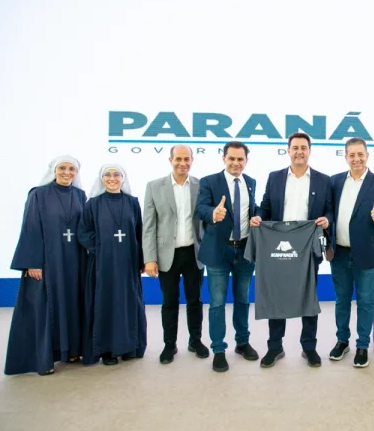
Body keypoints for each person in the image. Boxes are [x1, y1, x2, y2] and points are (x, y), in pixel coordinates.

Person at [250, 132, 334, 368]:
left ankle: (309, 348)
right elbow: (265, 207)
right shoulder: (275, 177)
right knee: (276, 295)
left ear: (309, 151)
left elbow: (330, 210)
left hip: (308, 248)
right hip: (279, 248)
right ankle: (275, 347)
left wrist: (327, 220)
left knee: (309, 296)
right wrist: (258, 217)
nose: (299, 152)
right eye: (295, 147)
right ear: (288, 150)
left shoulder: (323, 180)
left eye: (303, 148)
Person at [5, 156, 87, 376]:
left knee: (72, 304)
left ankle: (71, 351)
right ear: (53, 170)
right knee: (46, 308)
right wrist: (32, 262)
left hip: (74, 261)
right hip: (48, 262)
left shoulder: (80, 195)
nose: (67, 172)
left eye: (72, 169)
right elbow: (30, 227)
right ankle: (44, 358)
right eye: (62, 168)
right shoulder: (38, 194)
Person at [195, 141, 259, 373]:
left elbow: (251, 208)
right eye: (231, 158)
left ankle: (242, 342)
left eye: (240, 159)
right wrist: (213, 213)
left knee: (242, 299)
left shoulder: (250, 182)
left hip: (245, 250)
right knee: (217, 302)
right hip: (219, 251)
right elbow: (200, 208)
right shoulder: (209, 182)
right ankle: (219, 350)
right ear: (224, 159)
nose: (236, 163)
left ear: (246, 161)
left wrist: (257, 216)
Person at [329, 137, 374, 368]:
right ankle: (342, 341)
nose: (356, 159)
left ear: (367, 155)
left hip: (368, 253)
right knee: (342, 300)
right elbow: (329, 210)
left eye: (360, 154)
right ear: (346, 156)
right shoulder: (335, 181)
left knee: (365, 301)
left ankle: (363, 345)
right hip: (339, 253)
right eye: (352, 155)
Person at [142, 145, 209, 365]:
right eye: (178, 159)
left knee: (195, 300)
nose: (183, 163)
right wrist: (149, 258)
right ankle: (169, 345)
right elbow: (149, 226)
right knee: (169, 302)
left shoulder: (201, 186)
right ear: (170, 160)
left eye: (186, 159)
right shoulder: (154, 187)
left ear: (192, 160)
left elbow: (207, 221)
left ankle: (195, 341)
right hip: (166, 255)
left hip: (194, 253)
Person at [79, 164, 147, 365]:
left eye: (117, 174)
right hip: (103, 264)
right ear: (101, 179)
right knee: (106, 303)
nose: (112, 178)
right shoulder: (93, 204)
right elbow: (84, 232)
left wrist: (142, 259)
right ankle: (107, 350)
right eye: (107, 175)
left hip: (128, 263)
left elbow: (139, 232)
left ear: (123, 178)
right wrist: (102, 249)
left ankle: (129, 347)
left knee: (128, 303)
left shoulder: (132, 202)